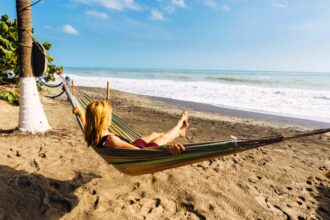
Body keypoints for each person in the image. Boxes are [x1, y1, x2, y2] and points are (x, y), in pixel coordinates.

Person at [72, 100, 188, 155]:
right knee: (163, 137)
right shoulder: (111, 140)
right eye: (110, 116)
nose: (111, 118)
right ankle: (179, 126)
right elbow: (140, 153)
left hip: (131, 144)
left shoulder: (92, 133)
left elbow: (85, 125)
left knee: (154, 134)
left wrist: (81, 114)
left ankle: (180, 131)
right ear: (104, 120)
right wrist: (166, 149)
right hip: (139, 153)